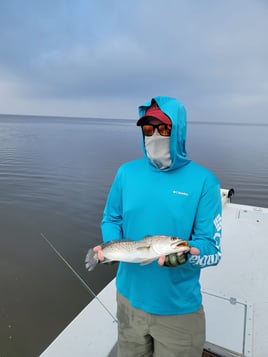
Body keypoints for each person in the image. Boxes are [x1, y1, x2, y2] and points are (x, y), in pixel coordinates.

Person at [94, 96, 222, 357]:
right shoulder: (126, 173)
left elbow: (212, 249)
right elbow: (111, 219)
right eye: (148, 129)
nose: (155, 136)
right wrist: (110, 248)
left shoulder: (204, 181)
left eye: (164, 128)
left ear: (179, 131)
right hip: (128, 301)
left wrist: (187, 255)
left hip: (178, 311)